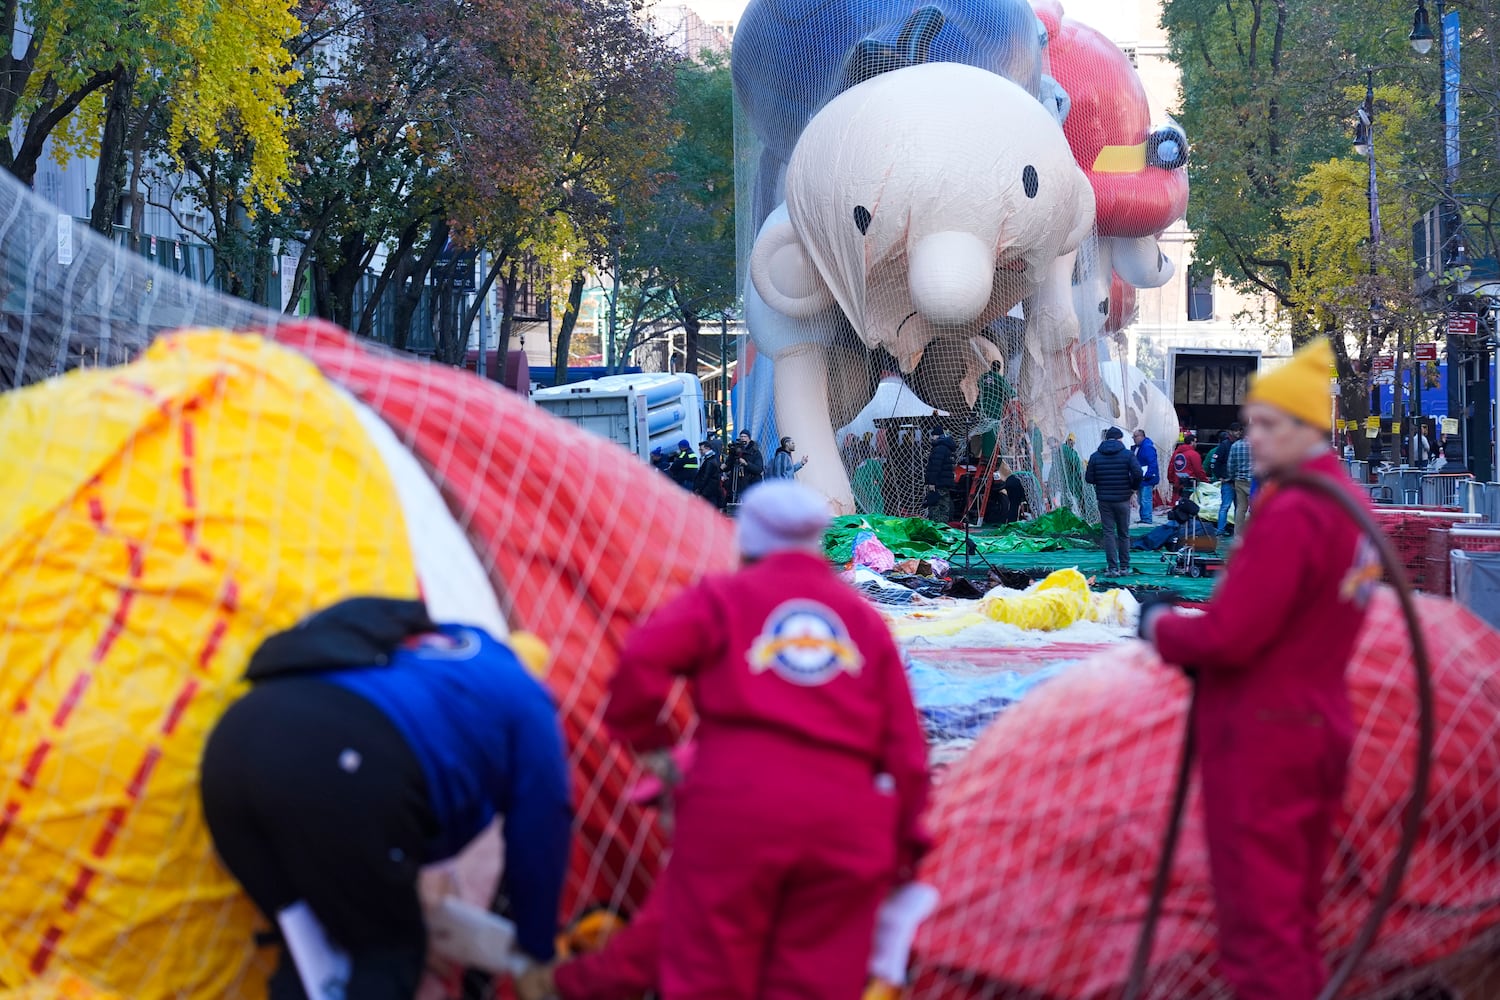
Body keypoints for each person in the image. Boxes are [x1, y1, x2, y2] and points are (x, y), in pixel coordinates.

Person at [604, 481, 932, 998]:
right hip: (845, 819)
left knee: (708, 975)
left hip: (735, 808)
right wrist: (909, 841)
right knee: (816, 979)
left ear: (746, 540)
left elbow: (639, 663)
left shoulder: (720, 599)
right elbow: (907, 753)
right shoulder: (862, 621)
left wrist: (652, 743)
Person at [1139, 339, 1378, 1000]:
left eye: (1270, 425)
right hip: (1315, 723)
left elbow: (1231, 634)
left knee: (1259, 926)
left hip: (1266, 736)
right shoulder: (1347, 506)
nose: (1254, 439)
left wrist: (1158, 626)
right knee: (1293, 915)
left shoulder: (1296, 510)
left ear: (1308, 429)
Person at [198, 598, 572, 1000]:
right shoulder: (529, 702)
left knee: (313, 948)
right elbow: (543, 824)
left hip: (232, 745)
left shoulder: (451, 639)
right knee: (389, 953)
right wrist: (536, 949)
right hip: (339, 762)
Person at [1084, 427, 1143, 577]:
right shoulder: (1128, 455)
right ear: (1119, 439)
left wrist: (1102, 481)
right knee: (1124, 533)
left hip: (1104, 500)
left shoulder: (1095, 456)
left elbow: (1089, 478)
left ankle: (1112, 568)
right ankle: (1124, 566)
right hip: (1123, 498)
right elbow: (1138, 473)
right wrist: (1132, 488)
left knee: (1109, 533)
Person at [924, 426, 957, 522]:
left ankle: (936, 528)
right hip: (945, 482)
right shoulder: (948, 448)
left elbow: (935, 467)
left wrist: (932, 482)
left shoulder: (939, 448)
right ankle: (944, 528)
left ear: (936, 436)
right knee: (944, 507)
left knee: (935, 507)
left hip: (938, 482)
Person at [1210, 426, 1239, 536]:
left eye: (1239, 430)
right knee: (1226, 506)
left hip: (1239, 481)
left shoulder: (1239, 444)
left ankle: (1236, 530)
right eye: (1235, 430)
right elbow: (1215, 463)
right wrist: (1220, 476)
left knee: (1239, 508)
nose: (1237, 433)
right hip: (1228, 481)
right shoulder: (1225, 445)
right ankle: (1221, 530)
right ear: (1230, 432)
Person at [1228, 423, 1254, 532]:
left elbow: (1230, 465)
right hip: (1255, 481)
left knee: (1240, 508)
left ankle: (1238, 535)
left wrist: (1232, 478)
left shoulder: (1235, 445)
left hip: (1239, 481)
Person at [1131, 428, 1160, 524]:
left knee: (1145, 499)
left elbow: (1152, 463)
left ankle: (1147, 519)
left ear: (1142, 436)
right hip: (1140, 477)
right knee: (1141, 499)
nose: (1133, 438)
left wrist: (1148, 475)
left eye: (1135, 436)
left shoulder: (1147, 447)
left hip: (1146, 478)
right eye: (1133, 436)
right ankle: (1144, 517)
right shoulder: (1137, 448)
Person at [1170, 432, 1207, 502]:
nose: (1196, 444)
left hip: (1177, 482)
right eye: (1195, 442)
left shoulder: (1176, 453)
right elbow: (1198, 470)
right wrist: (1205, 480)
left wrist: (1171, 479)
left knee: (1177, 504)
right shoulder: (1194, 454)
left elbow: (1171, 467)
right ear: (1192, 442)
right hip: (1190, 484)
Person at [852, 441, 886, 516]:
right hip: (868, 486)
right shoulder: (873, 462)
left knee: (860, 507)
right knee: (877, 505)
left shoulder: (860, 463)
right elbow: (880, 477)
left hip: (856, 487)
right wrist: (878, 483)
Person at [695, 438, 725, 509]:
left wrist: (699, 489)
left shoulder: (710, 460)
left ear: (707, 448)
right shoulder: (711, 459)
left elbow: (705, 476)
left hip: (708, 491)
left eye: (701, 449)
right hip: (710, 490)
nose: (700, 451)